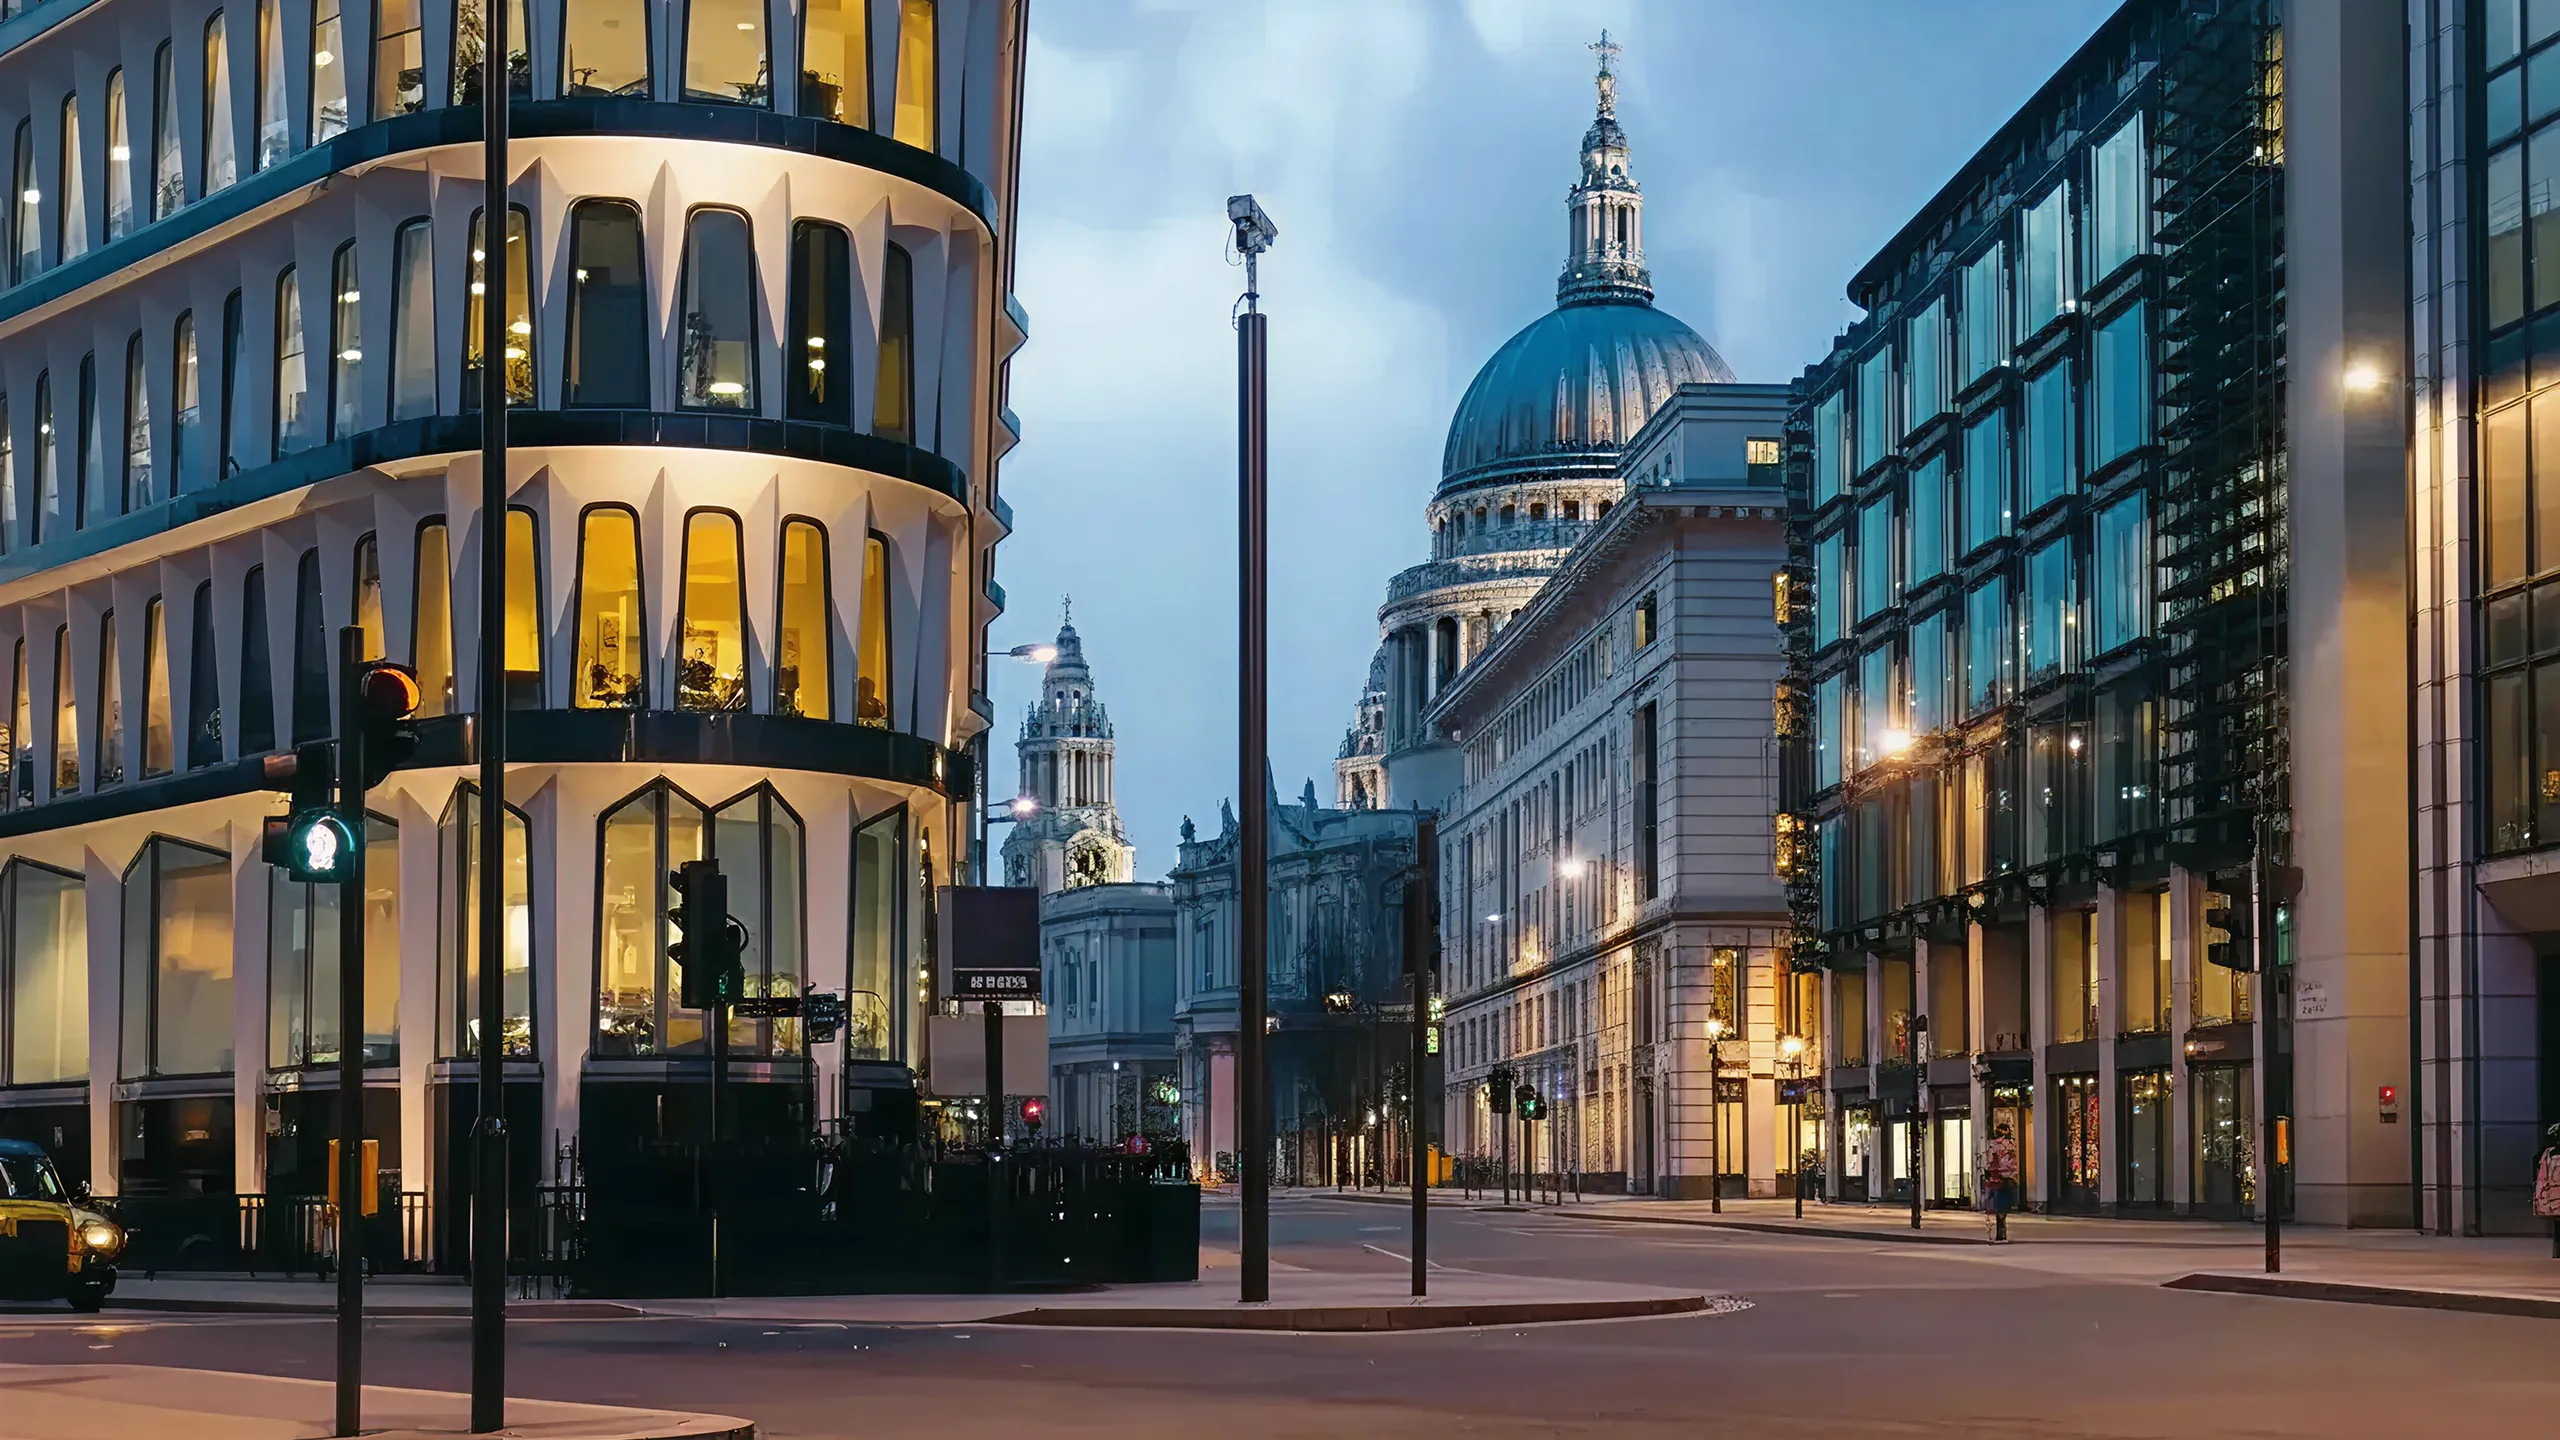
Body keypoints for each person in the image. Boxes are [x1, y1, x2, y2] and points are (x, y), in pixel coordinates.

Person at [1983, 1122, 2020, 1243]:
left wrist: (1988, 1173)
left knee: (1998, 1205)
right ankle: (2002, 1231)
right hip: (2010, 1177)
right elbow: (2014, 1160)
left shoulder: (1993, 1145)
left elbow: (1990, 1162)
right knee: (2005, 1205)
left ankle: (2000, 1234)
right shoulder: (2012, 1144)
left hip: (1998, 1177)